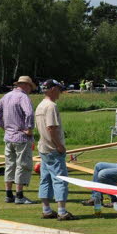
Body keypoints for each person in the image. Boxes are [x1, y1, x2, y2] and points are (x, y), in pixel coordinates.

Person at [0, 75, 37, 204]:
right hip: (21, 137)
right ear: (26, 85)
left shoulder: (7, 96)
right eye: (30, 87)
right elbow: (29, 113)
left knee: (9, 165)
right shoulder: (23, 97)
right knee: (22, 165)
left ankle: (8, 194)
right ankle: (20, 195)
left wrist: (2, 126)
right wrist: (29, 128)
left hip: (8, 137)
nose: (30, 90)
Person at [35, 79, 75, 220]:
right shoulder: (51, 106)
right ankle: (62, 211)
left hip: (43, 148)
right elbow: (51, 128)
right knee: (60, 179)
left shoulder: (40, 105)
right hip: (52, 148)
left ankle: (46, 209)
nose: (60, 92)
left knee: (45, 179)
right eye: (58, 89)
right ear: (52, 89)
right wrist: (59, 145)